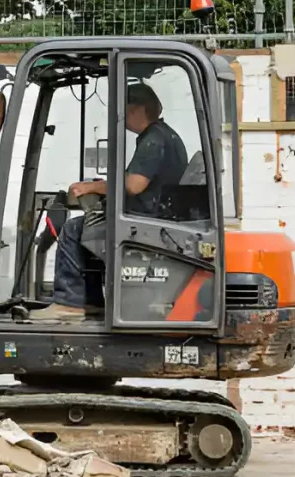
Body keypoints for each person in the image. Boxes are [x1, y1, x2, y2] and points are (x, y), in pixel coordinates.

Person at [37, 82, 189, 321]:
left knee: (74, 229)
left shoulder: (153, 139)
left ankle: (72, 302)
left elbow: (133, 184)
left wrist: (93, 187)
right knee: (89, 228)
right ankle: (91, 301)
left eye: (124, 110)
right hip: (157, 215)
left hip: (146, 220)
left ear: (137, 109)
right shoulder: (164, 135)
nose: (122, 118)